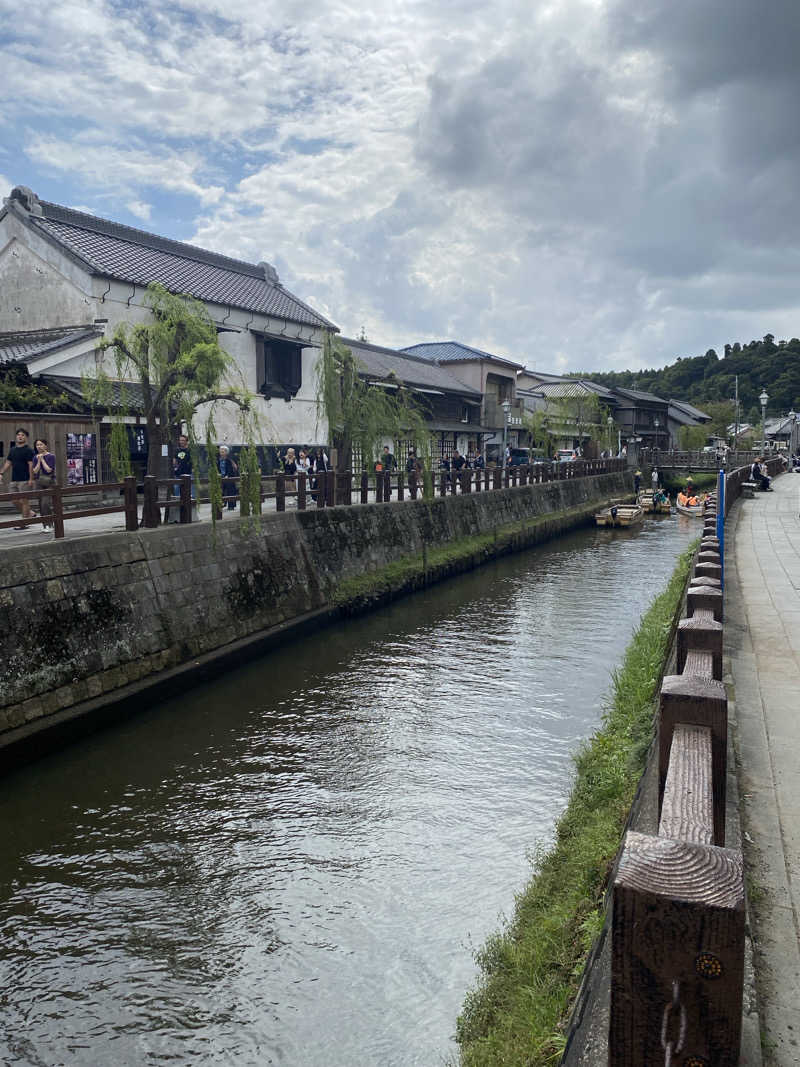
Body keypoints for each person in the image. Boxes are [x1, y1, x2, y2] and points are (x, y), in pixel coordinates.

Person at [1, 428, 34, 528]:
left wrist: (31, 479)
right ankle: (30, 513)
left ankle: (24, 523)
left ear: (26, 437)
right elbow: (8, 462)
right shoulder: (13, 450)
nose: (20, 436)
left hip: (25, 479)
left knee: (24, 500)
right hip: (14, 479)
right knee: (13, 500)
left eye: (22, 435)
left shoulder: (29, 450)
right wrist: (1, 472)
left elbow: (31, 465)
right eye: (18, 435)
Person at [32, 437, 56, 528]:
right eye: (37, 445)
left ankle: (50, 523)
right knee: (41, 504)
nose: (39, 446)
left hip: (49, 482)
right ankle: (45, 525)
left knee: (45, 503)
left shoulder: (51, 456)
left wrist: (42, 459)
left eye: (41, 444)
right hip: (39, 482)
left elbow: (49, 470)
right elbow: (35, 471)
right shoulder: (35, 457)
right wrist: (38, 460)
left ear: (45, 445)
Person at [218, 445, 238, 511]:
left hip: (229, 478)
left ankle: (231, 506)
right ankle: (222, 503)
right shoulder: (219, 460)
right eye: (221, 452)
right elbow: (218, 468)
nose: (222, 453)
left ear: (226, 453)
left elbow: (230, 469)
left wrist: (227, 475)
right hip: (221, 477)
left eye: (223, 452)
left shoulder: (229, 460)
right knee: (221, 491)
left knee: (230, 491)